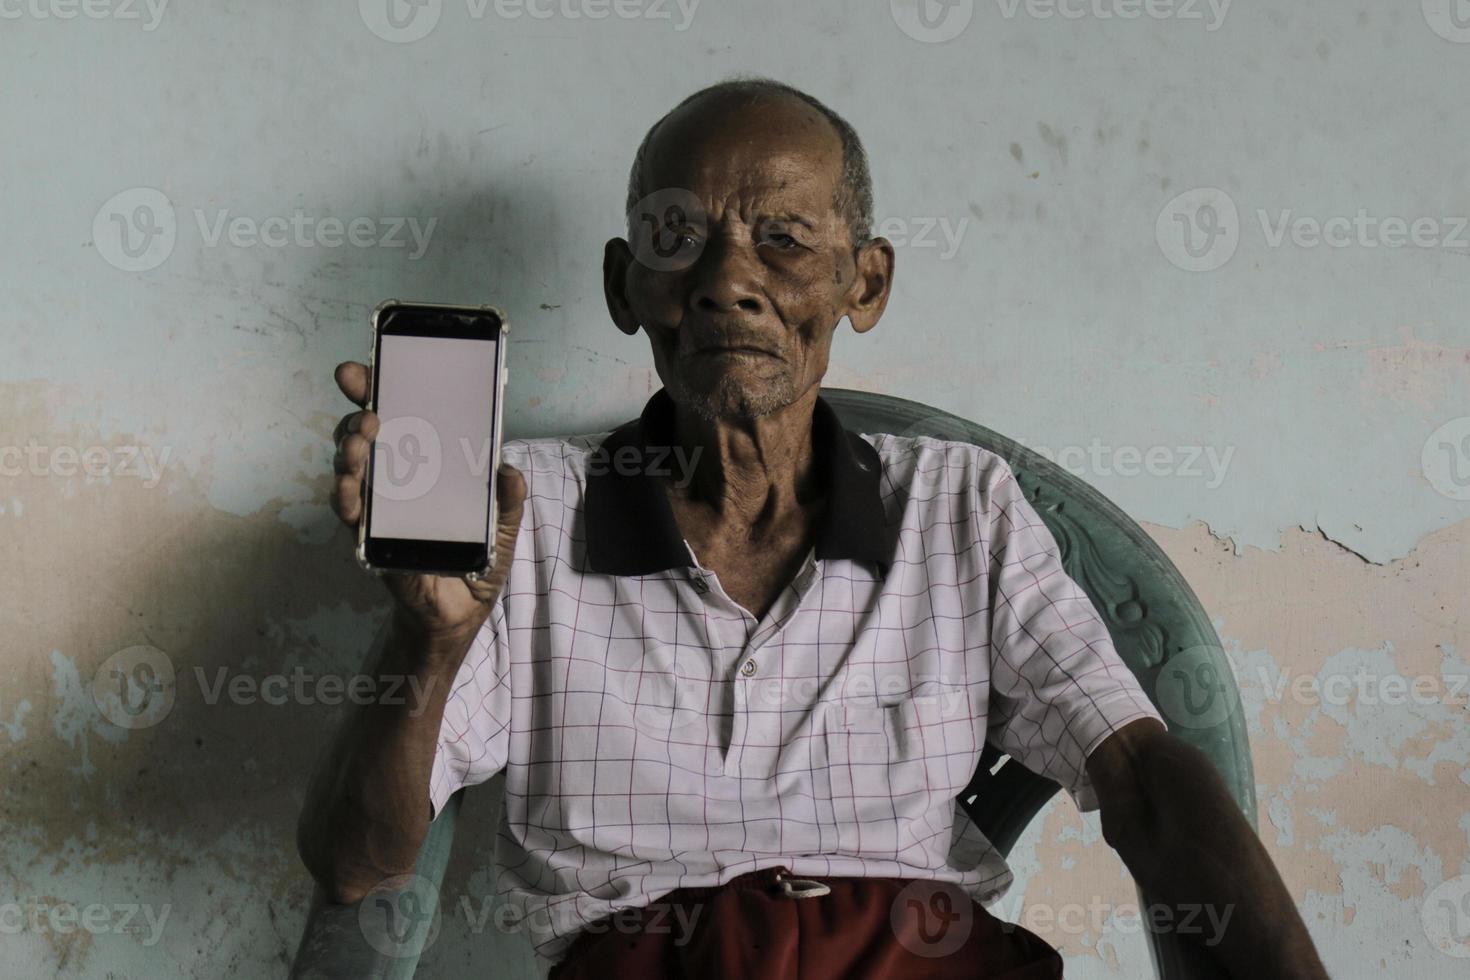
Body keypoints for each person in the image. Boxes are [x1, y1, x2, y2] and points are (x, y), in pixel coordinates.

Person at [298, 77, 1328, 979]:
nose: (726, 280)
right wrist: (425, 642)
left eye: (784, 239)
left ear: (863, 282)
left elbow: (1142, 774)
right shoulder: (521, 513)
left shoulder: (960, 505)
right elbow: (357, 861)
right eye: (676, 237)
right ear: (625, 286)